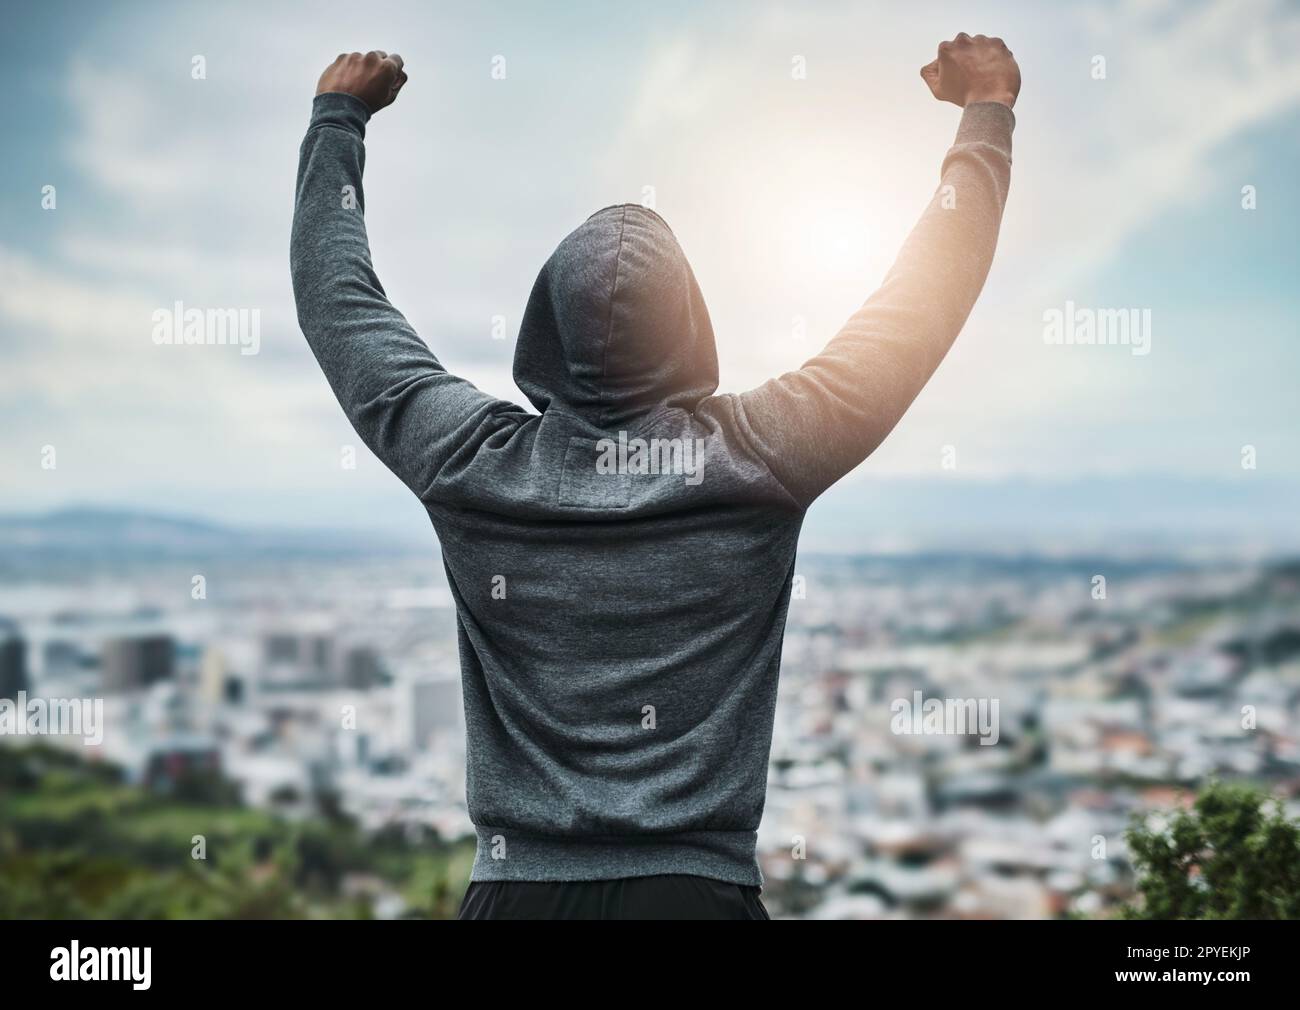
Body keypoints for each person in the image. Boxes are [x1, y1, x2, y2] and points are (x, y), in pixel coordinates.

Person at [291, 34, 1020, 920]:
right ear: (689, 328)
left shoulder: (470, 462)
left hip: (516, 896)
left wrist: (340, 119)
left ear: (543, 328)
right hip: (697, 895)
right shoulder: (763, 453)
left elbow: (340, 301)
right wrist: (985, 114)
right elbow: (920, 304)